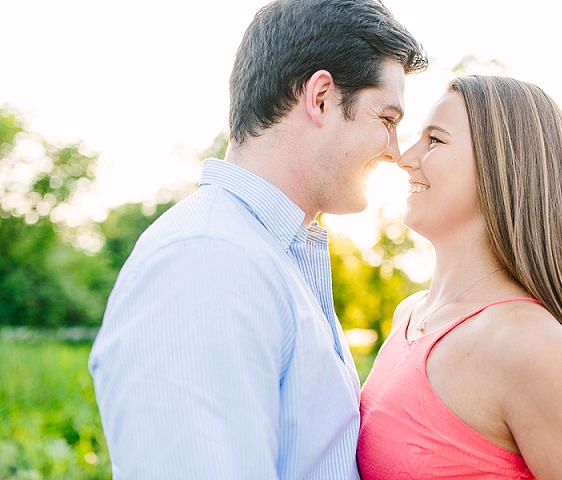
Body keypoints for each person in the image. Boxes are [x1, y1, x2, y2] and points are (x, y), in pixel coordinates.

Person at [89, 1, 426, 478]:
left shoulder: (268, 255)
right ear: (322, 97)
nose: (395, 151)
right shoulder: (205, 262)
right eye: (387, 120)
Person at [358, 76, 562, 479]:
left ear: (502, 166)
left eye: (435, 141)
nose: (405, 157)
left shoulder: (532, 350)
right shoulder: (409, 316)